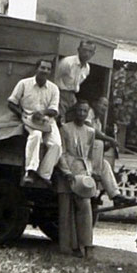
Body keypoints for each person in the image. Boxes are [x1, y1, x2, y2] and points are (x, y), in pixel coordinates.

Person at [7, 59, 61, 187]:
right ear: (36, 68)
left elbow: (54, 110)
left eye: (48, 69)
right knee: (36, 135)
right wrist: (23, 115)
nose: (45, 71)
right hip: (30, 119)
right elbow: (11, 103)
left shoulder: (54, 88)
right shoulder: (24, 84)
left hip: (47, 121)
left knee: (56, 145)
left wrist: (43, 113)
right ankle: (30, 171)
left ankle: (44, 174)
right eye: (43, 68)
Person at [57, 100, 97, 258]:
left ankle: (87, 245)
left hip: (82, 171)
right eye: (79, 110)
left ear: (88, 114)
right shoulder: (65, 129)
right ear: (74, 112)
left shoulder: (90, 131)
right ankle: (69, 247)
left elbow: (90, 156)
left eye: (84, 111)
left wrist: (90, 172)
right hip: (66, 169)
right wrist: (66, 171)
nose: (81, 114)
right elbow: (61, 152)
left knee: (85, 208)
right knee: (66, 210)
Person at [87, 96, 136, 206]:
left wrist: (109, 144)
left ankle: (115, 195)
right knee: (99, 143)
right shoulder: (88, 113)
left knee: (105, 165)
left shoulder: (98, 122)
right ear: (95, 103)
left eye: (106, 106)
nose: (104, 108)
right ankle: (95, 177)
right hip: (83, 154)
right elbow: (90, 131)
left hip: (92, 156)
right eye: (102, 104)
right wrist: (108, 139)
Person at [54, 40, 96, 123]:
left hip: (72, 96)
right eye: (84, 50)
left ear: (93, 54)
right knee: (58, 119)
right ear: (78, 50)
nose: (86, 54)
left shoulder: (87, 68)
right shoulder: (67, 62)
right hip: (60, 93)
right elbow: (54, 77)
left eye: (90, 51)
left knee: (73, 120)